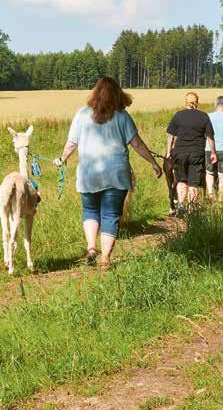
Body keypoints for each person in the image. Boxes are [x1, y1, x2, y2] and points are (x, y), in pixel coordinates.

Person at [55, 77, 162, 269]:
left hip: (89, 174)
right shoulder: (122, 116)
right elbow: (136, 143)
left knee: (90, 210)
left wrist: (62, 159)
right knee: (111, 215)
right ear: (118, 94)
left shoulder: (81, 114)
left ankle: (91, 249)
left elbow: (71, 143)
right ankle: (105, 259)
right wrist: (153, 163)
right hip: (116, 175)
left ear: (95, 93)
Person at [166, 91, 217, 214]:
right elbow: (210, 137)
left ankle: (181, 204)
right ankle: (192, 208)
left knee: (181, 180)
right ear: (197, 103)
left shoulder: (178, 115)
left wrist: (168, 152)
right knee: (193, 182)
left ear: (186, 103)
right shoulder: (204, 116)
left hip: (180, 152)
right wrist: (213, 153)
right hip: (196, 153)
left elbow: (171, 136)